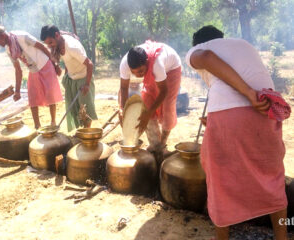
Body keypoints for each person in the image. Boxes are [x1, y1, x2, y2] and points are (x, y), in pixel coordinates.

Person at [186, 25, 289, 240]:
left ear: (198, 42)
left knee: (220, 178)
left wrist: (248, 94)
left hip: (237, 109)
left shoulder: (199, 49)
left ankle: (222, 236)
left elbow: (205, 57)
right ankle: (282, 235)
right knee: (271, 175)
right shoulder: (242, 44)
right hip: (267, 109)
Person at [0, 25, 63, 129]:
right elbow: (18, 70)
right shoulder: (8, 49)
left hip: (45, 64)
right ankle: (37, 126)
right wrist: (17, 91)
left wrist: (55, 64)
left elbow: (42, 47)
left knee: (50, 95)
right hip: (33, 70)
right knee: (33, 99)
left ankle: (53, 123)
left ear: (2, 36)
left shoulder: (22, 36)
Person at [119, 40, 182, 156]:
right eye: (134, 73)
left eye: (141, 71)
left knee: (167, 106)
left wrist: (148, 114)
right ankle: (155, 144)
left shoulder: (156, 64)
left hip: (171, 68)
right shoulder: (125, 64)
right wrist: (123, 109)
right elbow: (123, 88)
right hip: (155, 71)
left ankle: (162, 145)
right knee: (147, 103)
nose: (138, 75)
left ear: (147, 62)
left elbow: (163, 91)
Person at [40, 25, 97, 132]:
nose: (50, 46)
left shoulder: (72, 47)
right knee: (74, 107)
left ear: (57, 35)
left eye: (51, 43)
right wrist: (67, 76)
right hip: (71, 79)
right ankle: (81, 132)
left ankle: (86, 133)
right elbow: (68, 61)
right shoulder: (58, 43)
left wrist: (87, 84)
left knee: (85, 109)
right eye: (47, 44)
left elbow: (90, 64)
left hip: (83, 79)